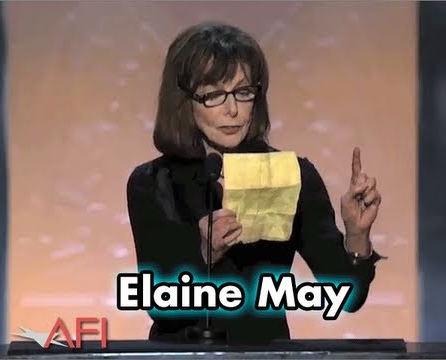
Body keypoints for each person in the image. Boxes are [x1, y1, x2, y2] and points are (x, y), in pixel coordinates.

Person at [127, 21, 383, 344]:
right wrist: (203, 256)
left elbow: (347, 294)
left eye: (243, 92)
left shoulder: (291, 175)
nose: (232, 109)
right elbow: (159, 307)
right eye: (214, 95)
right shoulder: (151, 183)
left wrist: (357, 236)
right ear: (184, 102)